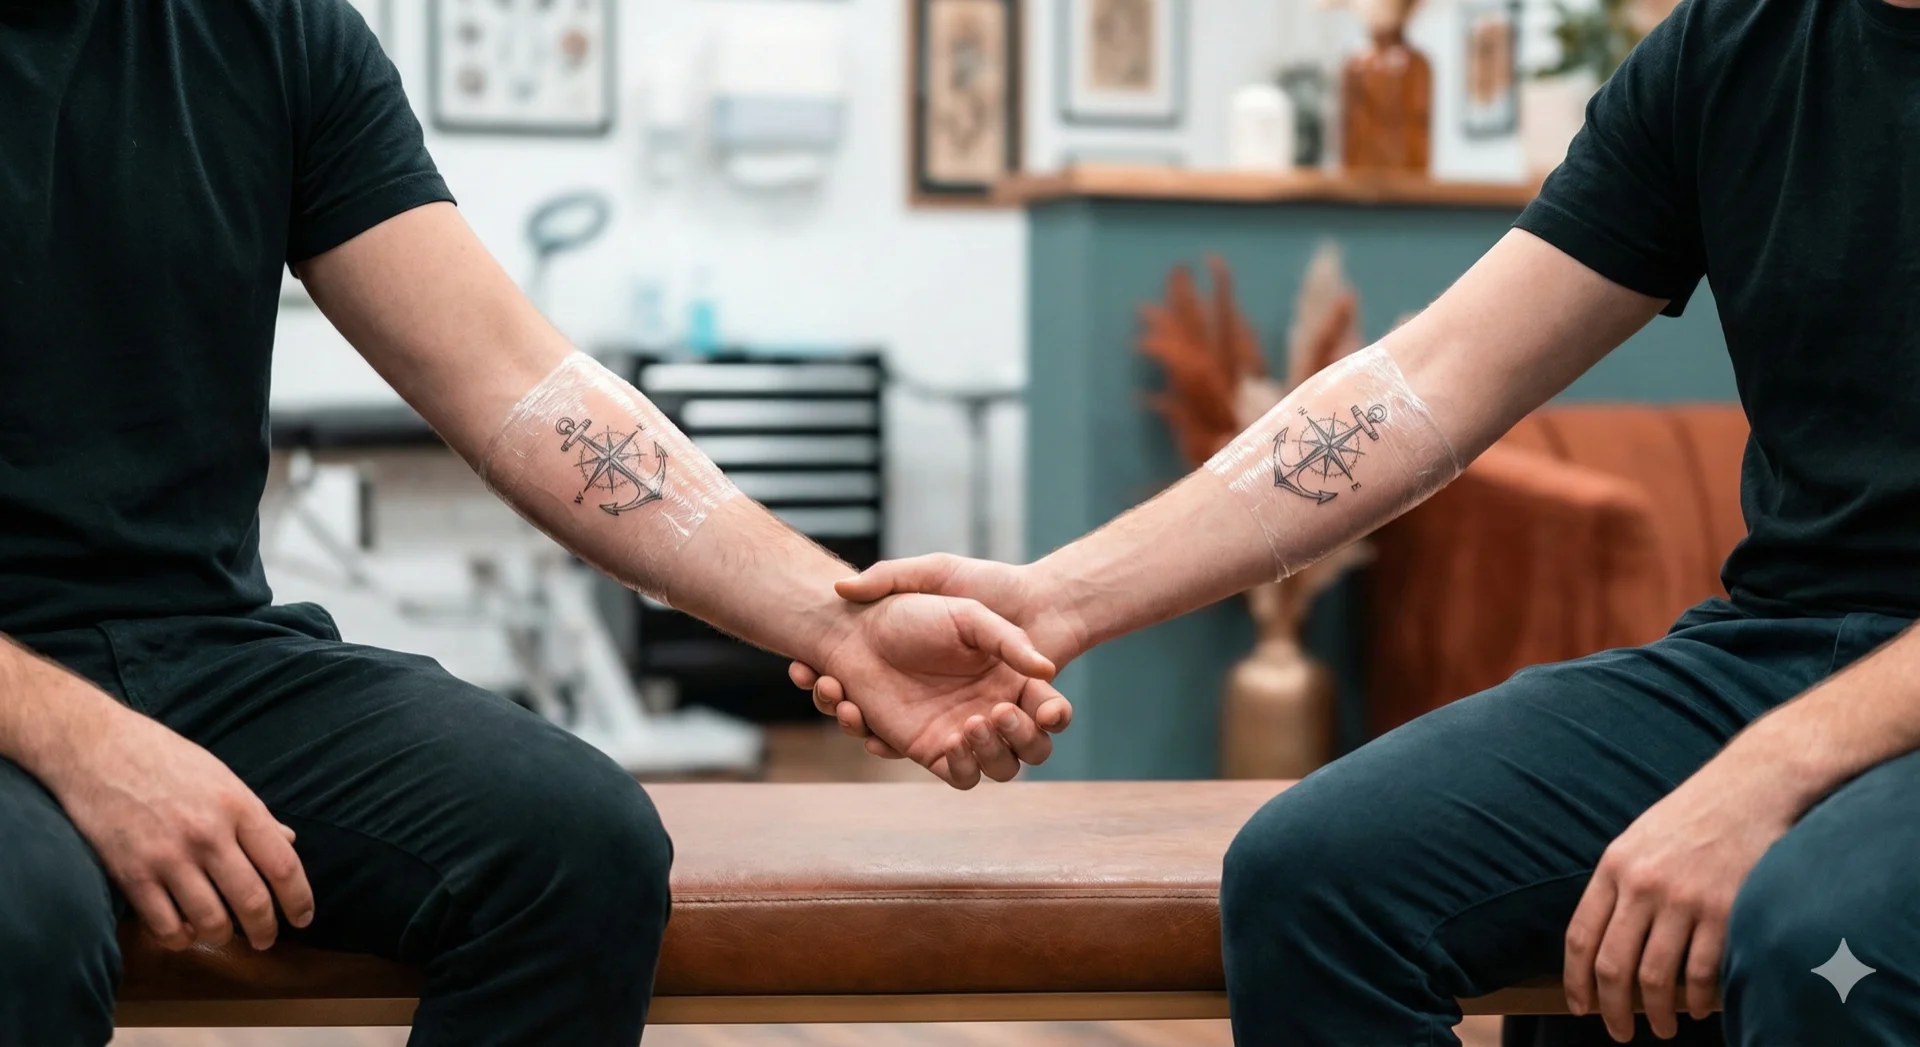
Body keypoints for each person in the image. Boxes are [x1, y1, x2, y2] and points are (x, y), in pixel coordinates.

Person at [799, 0, 1920, 1041]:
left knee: (1822, 942)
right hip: (1778, 642)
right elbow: (1429, 380)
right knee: (1312, 881)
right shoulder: (1735, 41)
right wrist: (1058, 597)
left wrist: (1757, 782)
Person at [0, 2, 1070, 1044]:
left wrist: (834, 624)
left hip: (198, 652)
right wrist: (81, 740)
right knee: (25, 930)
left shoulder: (274, 31)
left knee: (577, 846)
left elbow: (514, 381)